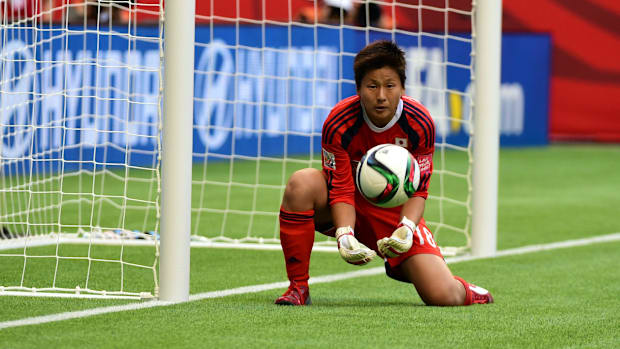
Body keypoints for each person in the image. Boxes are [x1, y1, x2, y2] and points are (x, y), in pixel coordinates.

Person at [275, 40, 493, 306]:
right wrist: (345, 234)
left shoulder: (419, 121)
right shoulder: (339, 121)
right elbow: (341, 186)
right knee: (302, 183)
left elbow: (419, 188)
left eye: (389, 86)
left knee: (443, 296)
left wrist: (407, 227)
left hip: (394, 212)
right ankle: (298, 288)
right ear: (358, 89)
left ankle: (467, 289)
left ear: (402, 87)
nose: (381, 96)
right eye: (372, 86)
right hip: (347, 203)